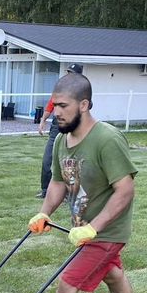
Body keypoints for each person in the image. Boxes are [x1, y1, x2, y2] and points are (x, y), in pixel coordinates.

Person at [10, 72, 147, 293]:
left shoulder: (107, 139)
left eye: (63, 106)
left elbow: (125, 191)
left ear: (84, 105)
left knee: (69, 282)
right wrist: (44, 212)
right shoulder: (63, 140)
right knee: (112, 274)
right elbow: (58, 183)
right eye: (54, 105)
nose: (56, 112)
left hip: (107, 231)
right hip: (85, 228)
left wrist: (94, 229)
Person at [36, 63, 84, 199]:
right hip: (57, 127)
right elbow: (51, 105)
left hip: (74, 126)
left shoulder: (82, 91)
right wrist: (42, 121)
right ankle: (46, 191)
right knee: (47, 160)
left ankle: (69, 194)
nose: (69, 76)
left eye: (72, 73)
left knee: (71, 162)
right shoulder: (60, 88)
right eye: (68, 72)